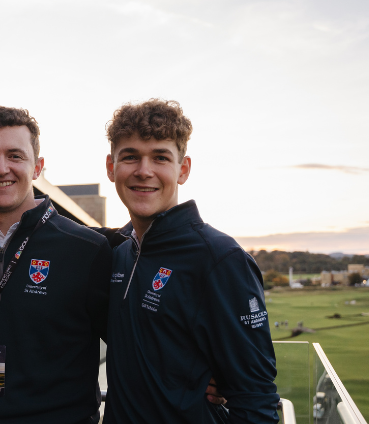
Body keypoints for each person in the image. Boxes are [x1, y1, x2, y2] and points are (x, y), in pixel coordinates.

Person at [101, 99, 279, 424]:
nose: (144, 170)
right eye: (130, 157)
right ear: (112, 167)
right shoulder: (118, 251)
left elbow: (256, 397)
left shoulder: (220, 258)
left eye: (160, 158)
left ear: (182, 170)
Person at [0, 106, 112, 424]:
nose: (1, 168)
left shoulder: (86, 250)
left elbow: (132, 346)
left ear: (37, 168)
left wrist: (209, 374)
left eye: (15, 156)